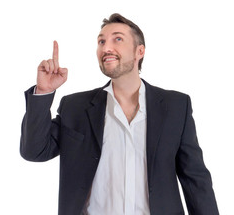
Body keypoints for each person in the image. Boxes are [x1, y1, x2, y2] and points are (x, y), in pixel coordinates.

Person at [20, 13, 219, 215]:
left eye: (118, 39)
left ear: (139, 51)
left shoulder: (175, 106)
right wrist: (44, 92)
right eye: (101, 41)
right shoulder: (76, 108)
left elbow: (196, 181)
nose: (106, 48)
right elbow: (34, 151)